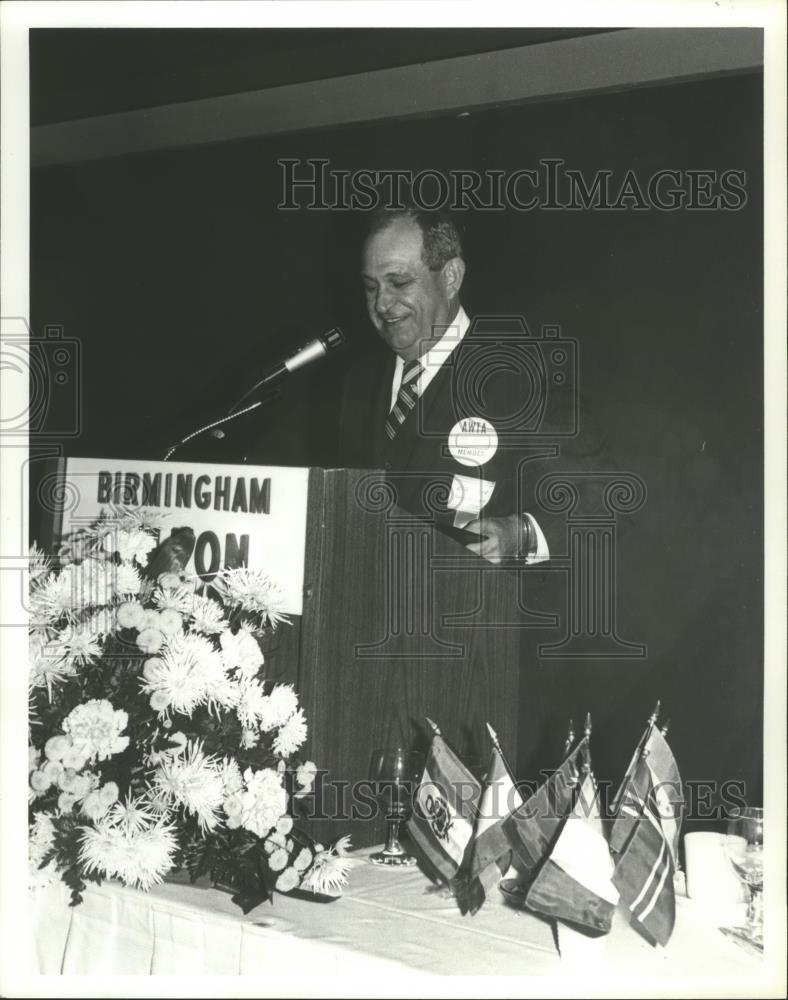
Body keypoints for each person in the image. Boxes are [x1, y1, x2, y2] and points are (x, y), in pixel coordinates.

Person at [338, 205, 607, 564]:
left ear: (451, 277)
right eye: (371, 287)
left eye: (399, 283)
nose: (382, 303)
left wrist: (517, 534)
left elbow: (603, 498)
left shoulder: (524, 375)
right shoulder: (358, 381)